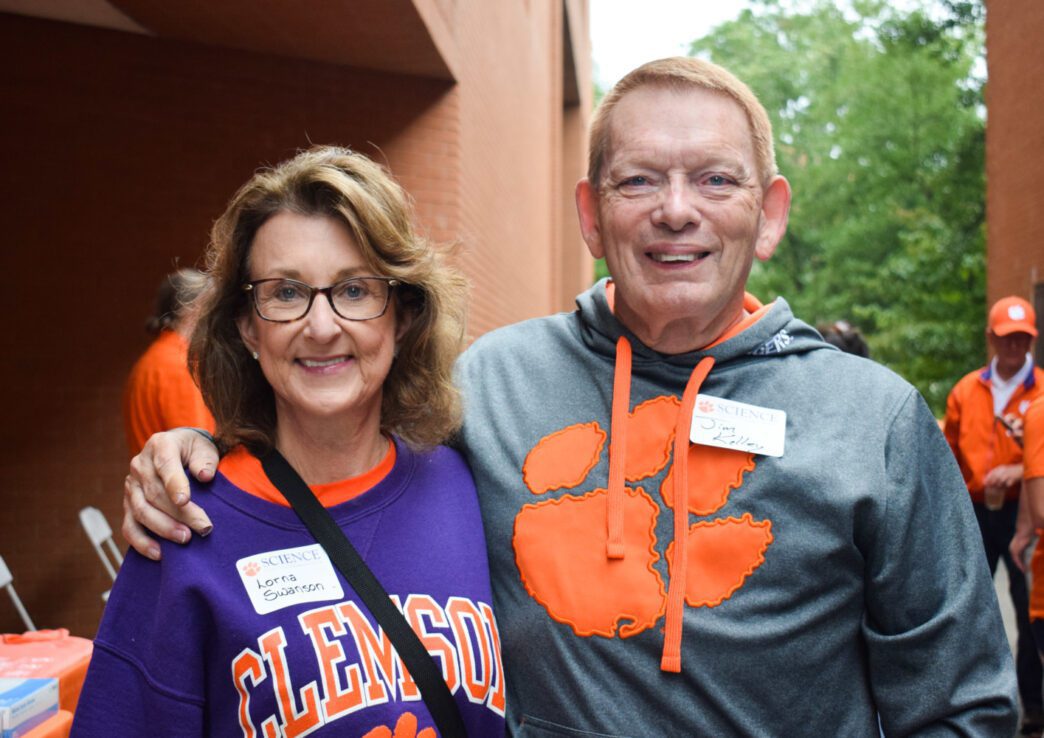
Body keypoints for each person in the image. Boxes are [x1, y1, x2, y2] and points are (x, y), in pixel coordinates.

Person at [122, 58, 1017, 735]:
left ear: (770, 213)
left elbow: (963, 706)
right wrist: (195, 454)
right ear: (591, 214)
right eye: (639, 180)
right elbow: (331, 435)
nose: (676, 210)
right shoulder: (487, 385)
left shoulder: (876, 421)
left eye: (715, 179)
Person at [74, 147, 505, 736]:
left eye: (354, 290)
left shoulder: (464, 484)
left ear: (402, 318)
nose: (321, 327)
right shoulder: (182, 529)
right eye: (285, 293)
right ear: (247, 326)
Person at [944, 295, 1043, 731]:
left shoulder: (1042, 392)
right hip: (976, 511)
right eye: (1006, 338)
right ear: (991, 338)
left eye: (1022, 338)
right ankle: (968, 701)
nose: (1014, 346)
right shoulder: (966, 390)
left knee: (1030, 609)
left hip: (1027, 512)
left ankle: (1033, 707)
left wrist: (1018, 468)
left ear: (1032, 340)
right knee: (965, 605)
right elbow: (948, 455)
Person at [122, 268, 215, 455]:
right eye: (212, 306)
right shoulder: (179, 364)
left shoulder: (157, 358)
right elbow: (197, 451)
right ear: (194, 308)